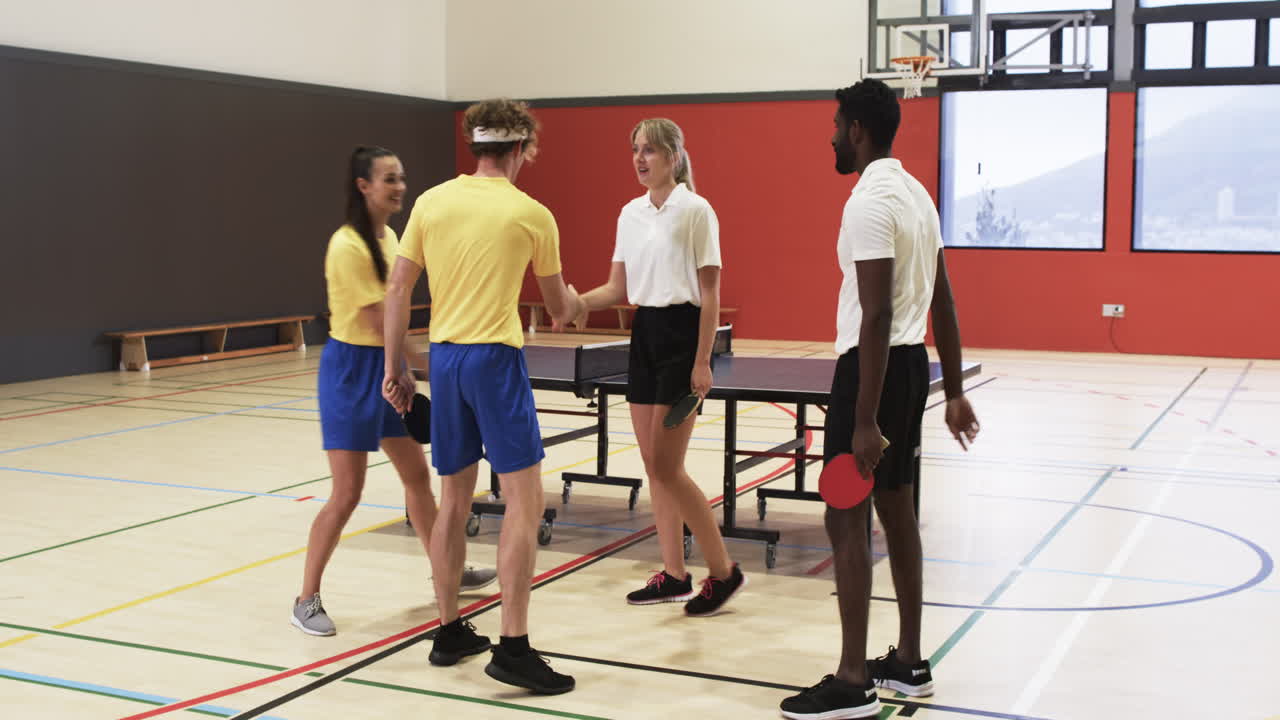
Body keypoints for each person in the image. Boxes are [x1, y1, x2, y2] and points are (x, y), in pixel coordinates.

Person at [779, 80, 981, 719]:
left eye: (837, 125)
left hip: (871, 370)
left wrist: (863, 419)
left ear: (858, 130)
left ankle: (851, 680)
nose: (832, 137)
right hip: (910, 367)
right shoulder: (918, 196)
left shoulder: (869, 201)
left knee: (844, 517)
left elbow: (876, 313)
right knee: (896, 511)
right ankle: (910, 663)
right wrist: (953, 391)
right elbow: (943, 301)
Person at [382, 100, 582, 694]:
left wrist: (395, 367)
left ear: (477, 145)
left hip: (444, 360)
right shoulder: (532, 214)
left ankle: (449, 631)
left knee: (452, 499)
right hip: (494, 360)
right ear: (520, 149)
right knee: (525, 499)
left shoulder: (432, 202)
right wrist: (576, 303)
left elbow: (398, 288)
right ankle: (513, 647)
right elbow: (559, 307)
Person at [292, 146, 496, 638]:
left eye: (401, 178)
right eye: (389, 179)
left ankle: (445, 568)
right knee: (347, 493)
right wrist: (421, 364)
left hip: (384, 365)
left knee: (417, 477)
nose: (400, 187)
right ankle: (305, 599)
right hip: (351, 373)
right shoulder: (347, 245)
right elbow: (375, 317)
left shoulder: (390, 237)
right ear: (364, 186)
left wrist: (406, 366)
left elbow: (392, 316)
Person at [576, 118, 745, 616]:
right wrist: (576, 302)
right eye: (635, 149)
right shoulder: (629, 213)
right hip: (644, 335)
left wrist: (702, 360)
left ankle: (724, 571)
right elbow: (616, 288)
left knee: (669, 467)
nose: (639, 158)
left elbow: (711, 293)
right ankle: (674, 575)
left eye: (649, 149)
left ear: (673, 156)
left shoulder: (696, 211)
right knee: (654, 465)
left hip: (682, 337)